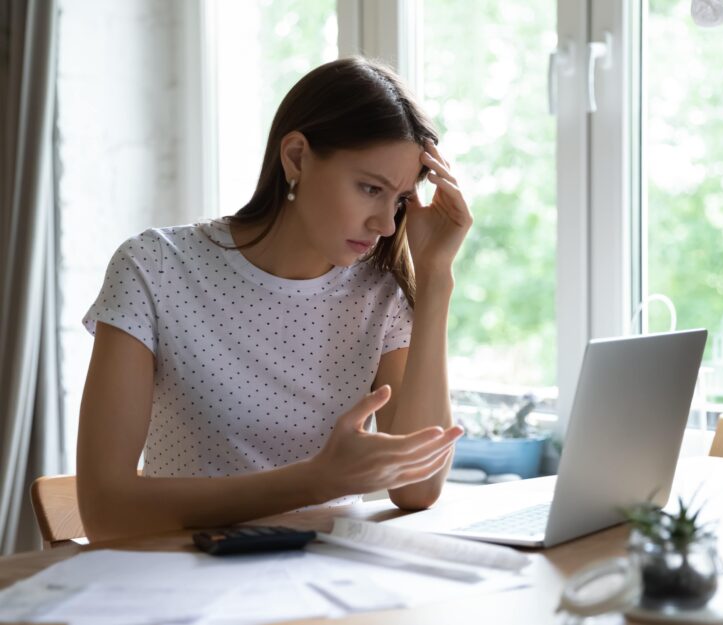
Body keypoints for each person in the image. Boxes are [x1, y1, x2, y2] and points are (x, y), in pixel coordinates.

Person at [76, 56, 473, 542]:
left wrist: (435, 277)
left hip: (327, 586)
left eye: (400, 200)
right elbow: (104, 512)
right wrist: (316, 481)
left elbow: (418, 486)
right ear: (297, 157)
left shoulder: (379, 294)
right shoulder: (154, 267)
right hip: (185, 581)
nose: (386, 225)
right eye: (370, 188)